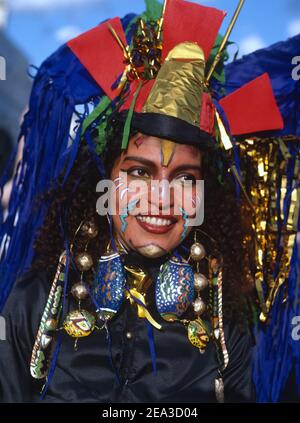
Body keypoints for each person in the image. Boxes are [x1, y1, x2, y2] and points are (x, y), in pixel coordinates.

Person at [0, 0, 284, 403]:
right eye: (138, 172)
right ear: (104, 178)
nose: (162, 198)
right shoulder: (39, 296)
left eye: (185, 178)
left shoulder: (227, 316)